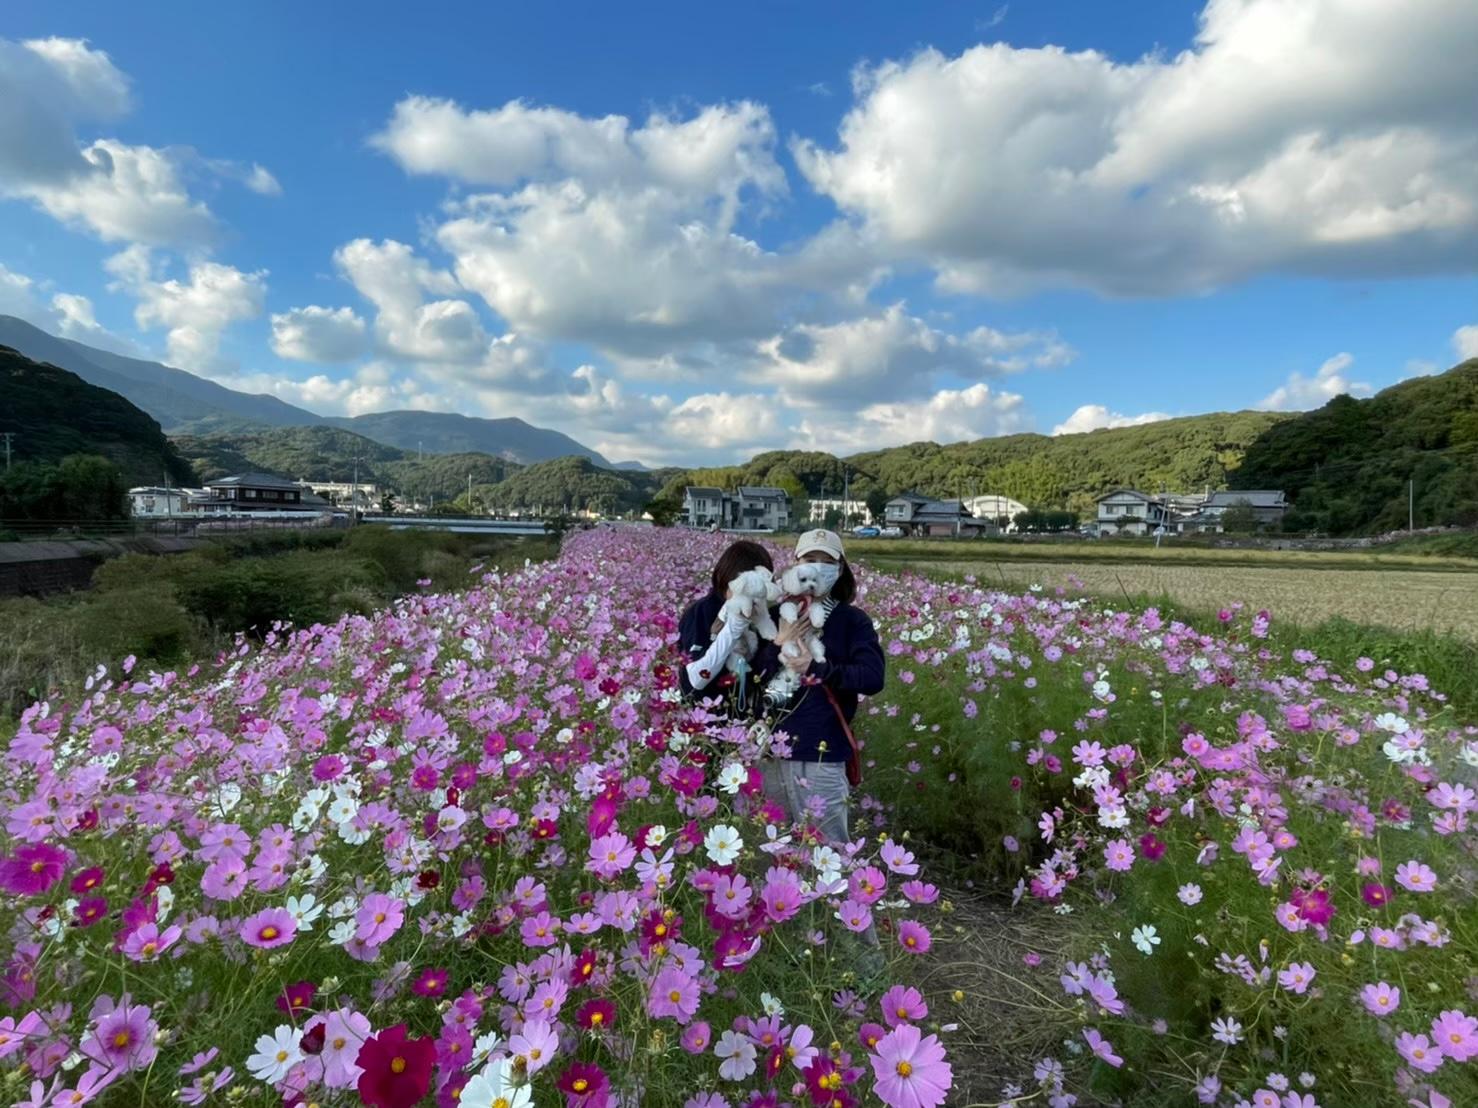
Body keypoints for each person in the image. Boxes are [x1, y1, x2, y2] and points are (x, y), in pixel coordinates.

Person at [755, 528, 884, 847]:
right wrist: (779, 644)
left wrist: (817, 669)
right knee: (770, 850)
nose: (816, 567)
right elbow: (752, 681)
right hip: (768, 750)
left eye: (827, 561)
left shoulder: (852, 621)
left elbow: (872, 677)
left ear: (839, 570)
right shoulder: (773, 616)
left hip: (821, 753)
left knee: (828, 853)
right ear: (795, 564)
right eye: (809, 558)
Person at [678, 539, 774, 710]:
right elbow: (697, 678)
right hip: (706, 713)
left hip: (750, 714)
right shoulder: (701, 612)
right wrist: (733, 627)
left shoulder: (760, 612)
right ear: (728, 579)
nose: (749, 596)